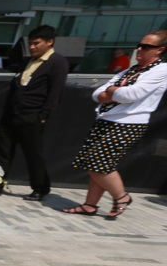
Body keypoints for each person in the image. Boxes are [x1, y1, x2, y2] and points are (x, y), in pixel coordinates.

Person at [62, 31, 166, 221]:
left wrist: (110, 91)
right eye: (139, 44)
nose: (139, 49)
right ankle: (90, 205)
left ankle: (121, 197)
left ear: (160, 50)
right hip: (107, 119)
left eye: (146, 46)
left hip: (128, 123)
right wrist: (112, 91)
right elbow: (97, 93)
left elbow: (130, 95)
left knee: (98, 164)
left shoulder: (161, 70)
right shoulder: (131, 70)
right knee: (96, 163)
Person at [0, 25, 69, 201]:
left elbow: (56, 92)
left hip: (33, 115)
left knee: (33, 153)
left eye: (36, 43)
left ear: (50, 42)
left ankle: (40, 188)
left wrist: (44, 115)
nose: (32, 47)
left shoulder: (57, 62)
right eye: (30, 43)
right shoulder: (28, 60)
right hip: (12, 113)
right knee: (2, 151)